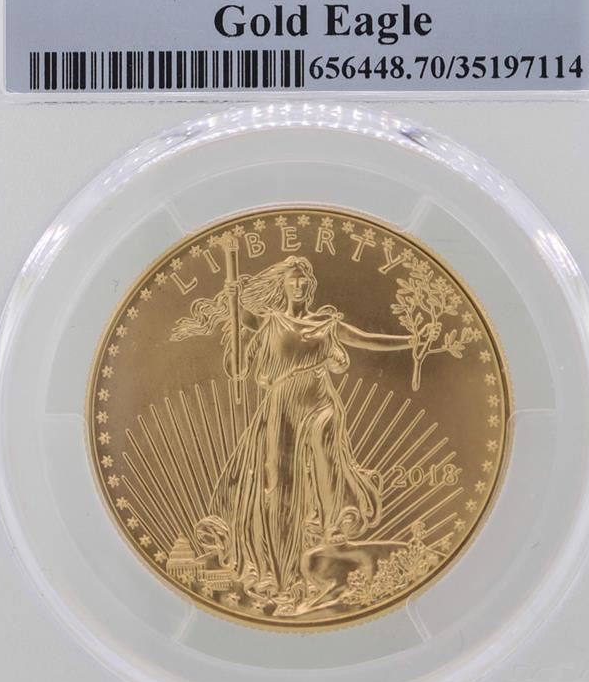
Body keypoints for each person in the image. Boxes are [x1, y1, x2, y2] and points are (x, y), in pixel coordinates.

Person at [172, 255, 412, 608]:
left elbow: (368, 339)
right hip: (282, 404)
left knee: (327, 459)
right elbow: (239, 333)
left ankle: (331, 530)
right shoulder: (270, 322)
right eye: (292, 280)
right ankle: (279, 564)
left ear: (310, 286)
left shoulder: (326, 325)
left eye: (303, 280)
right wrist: (233, 299)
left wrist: (412, 341)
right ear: (283, 285)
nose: (298, 285)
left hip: (320, 400)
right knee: (277, 479)